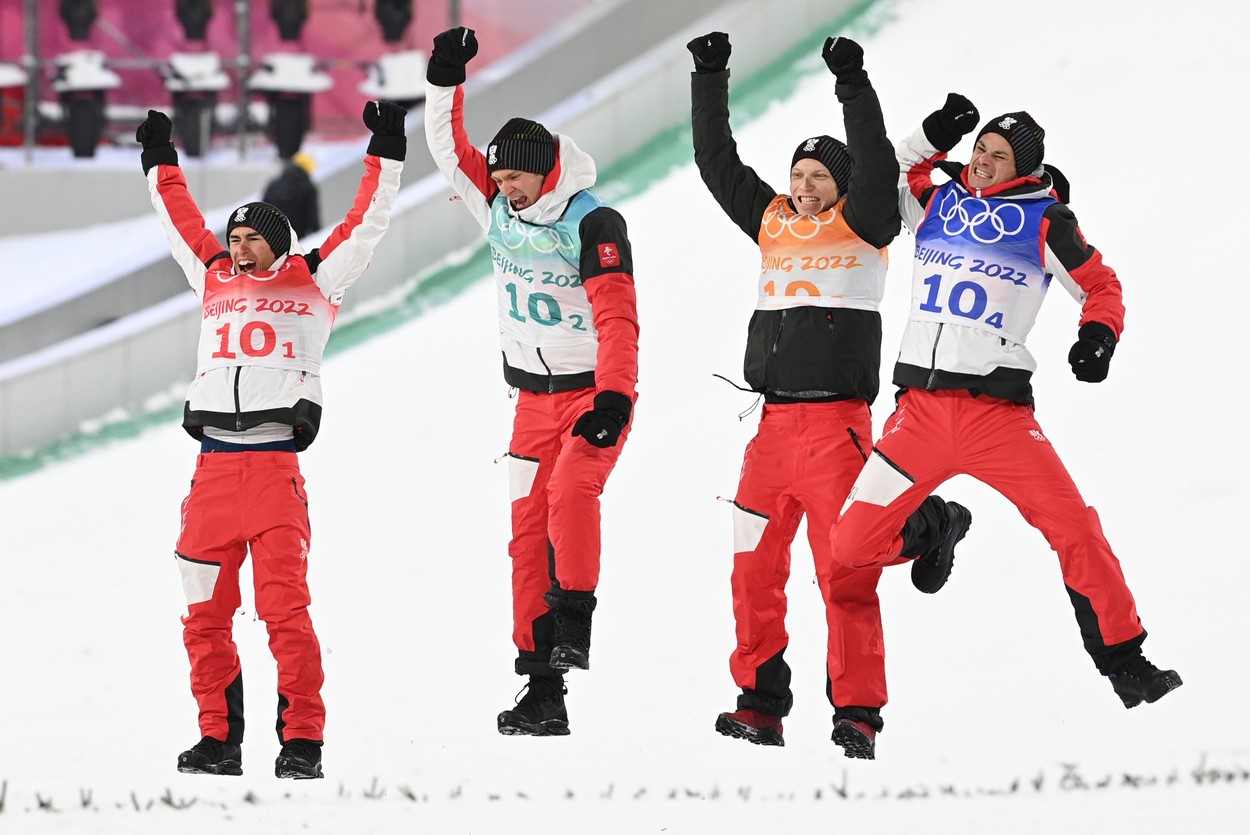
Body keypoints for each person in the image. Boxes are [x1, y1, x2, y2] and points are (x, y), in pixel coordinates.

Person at [828, 93, 1182, 712]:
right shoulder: (938, 201)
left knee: (1075, 527)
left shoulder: (1045, 220)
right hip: (920, 416)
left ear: (1023, 168)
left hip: (999, 419)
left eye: (999, 155)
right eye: (980, 148)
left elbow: (1101, 285)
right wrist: (935, 133)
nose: (984, 160)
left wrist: (1098, 336)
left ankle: (1126, 662)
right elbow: (889, 170)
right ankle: (937, 526)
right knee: (849, 547)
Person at [687, 32, 971, 760]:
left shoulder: (867, 222)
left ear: (843, 186)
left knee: (843, 575)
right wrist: (709, 74)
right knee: (752, 569)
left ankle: (858, 711)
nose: (805, 185)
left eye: (818, 176)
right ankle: (759, 703)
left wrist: (852, 79)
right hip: (771, 428)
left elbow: (877, 159)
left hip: (836, 428)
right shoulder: (772, 219)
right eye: (799, 173)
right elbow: (717, 162)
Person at [136, 100, 406, 779]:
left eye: (253, 237)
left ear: (278, 243)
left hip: (273, 473)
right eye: (234, 236)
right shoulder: (212, 277)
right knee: (203, 617)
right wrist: (160, 160)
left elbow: (365, 224)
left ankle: (303, 741)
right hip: (211, 475)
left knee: (285, 612)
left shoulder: (316, 278)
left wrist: (386, 149)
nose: (238, 245)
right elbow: (180, 222)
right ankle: (217, 740)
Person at [424, 27, 639, 737]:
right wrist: (445, 76)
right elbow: (446, 148)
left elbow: (617, 319)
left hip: (591, 394)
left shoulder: (593, 221)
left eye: (515, 177)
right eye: (499, 177)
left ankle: (575, 620)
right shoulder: (495, 205)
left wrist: (615, 396)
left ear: (545, 172)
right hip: (530, 403)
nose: (504, 187)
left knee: (571, 493)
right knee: (525, 538)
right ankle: (543, 690)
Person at [261, 150, 321, 238]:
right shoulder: (308, 188)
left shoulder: (274, 183)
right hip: (296, 235)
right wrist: (318, 234)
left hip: (272, 233)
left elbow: (263, 207)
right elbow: (312, 216)